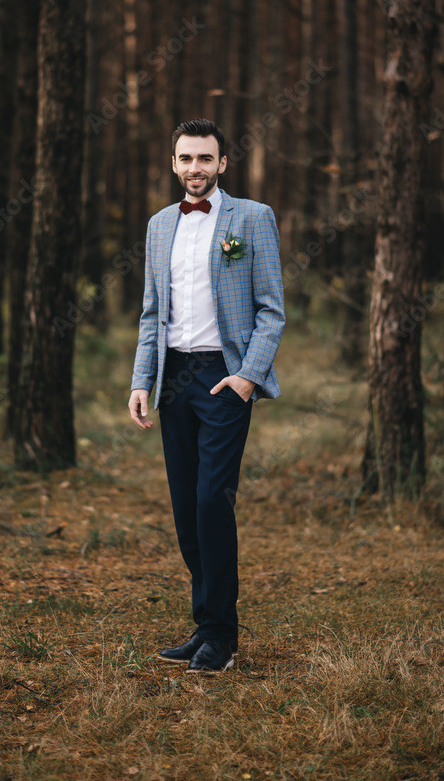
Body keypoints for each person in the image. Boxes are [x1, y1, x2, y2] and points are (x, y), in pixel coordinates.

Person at [128, 119, 285, 673]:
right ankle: (205, 625)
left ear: (222, 164)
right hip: (174, 378)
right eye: (186, 158)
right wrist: (141, 381)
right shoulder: (158, 226)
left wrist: (248, 376)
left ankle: (221, 634)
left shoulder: (253, 218)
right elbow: (152, 312)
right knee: (184, 507)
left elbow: (271, 310)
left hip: (224, 378)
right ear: (174, 163)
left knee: (211, 500)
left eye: (206, 158)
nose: (195, 168)